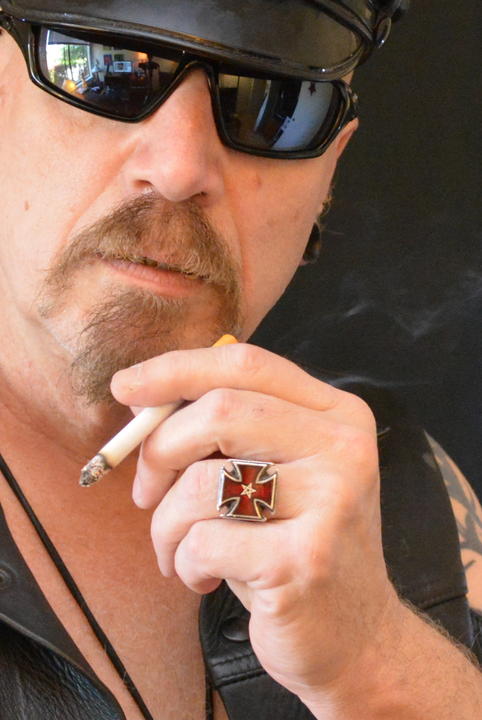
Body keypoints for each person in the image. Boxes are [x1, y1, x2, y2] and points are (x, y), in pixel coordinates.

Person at [0, 1, 480, 718]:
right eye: (107, 71)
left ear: (329, 176)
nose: (180, 169)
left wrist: (379, 664)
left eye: (270, 104)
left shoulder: (398, 488)